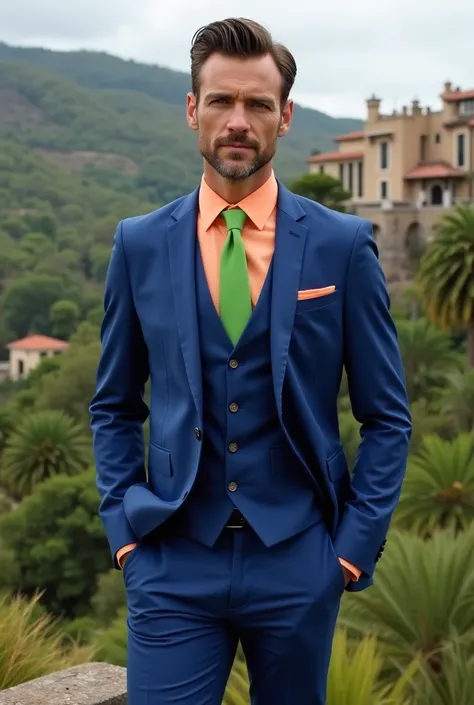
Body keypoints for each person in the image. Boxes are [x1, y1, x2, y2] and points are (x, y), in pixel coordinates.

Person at [90, 16, 411, 705]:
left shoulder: (342, 246)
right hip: (173, 558)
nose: (239, 120)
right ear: (191, 110)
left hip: (300, 559)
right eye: (221, 101)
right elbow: (114, 405)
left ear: (285, 117)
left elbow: (387, 417)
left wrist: (349, 551)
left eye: (258, 104)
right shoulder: (139, 243)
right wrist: (125, 534)